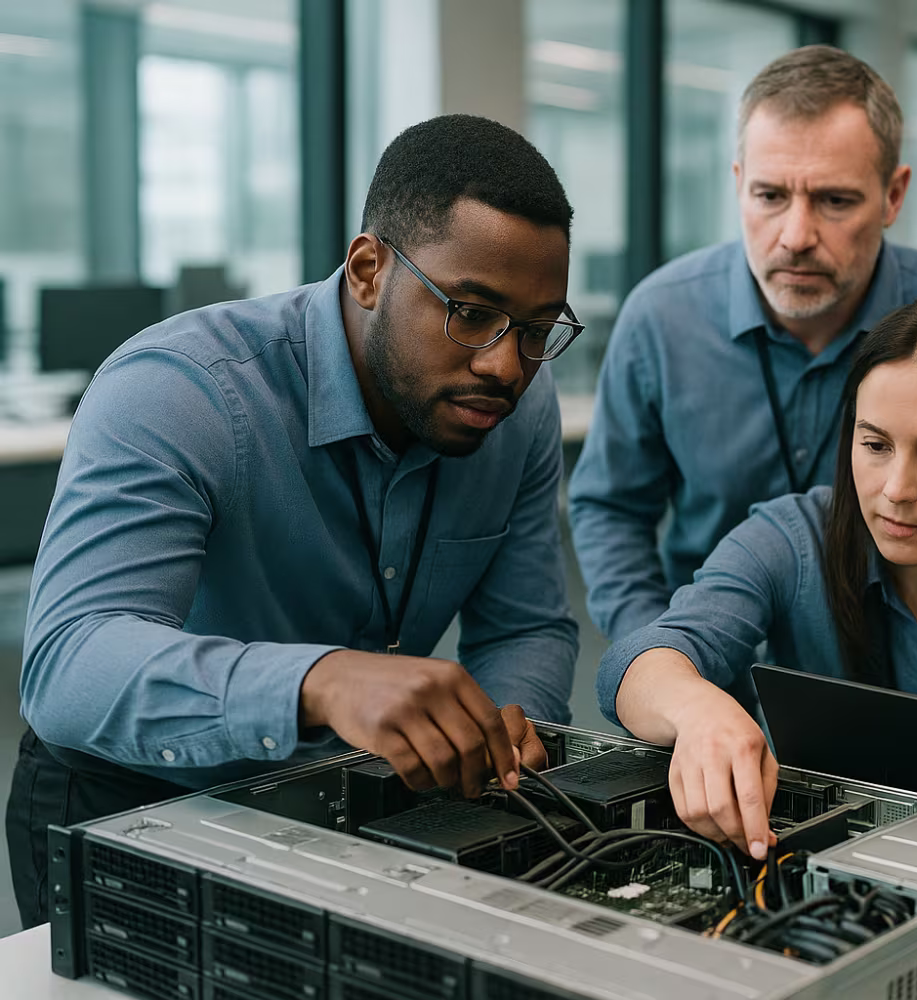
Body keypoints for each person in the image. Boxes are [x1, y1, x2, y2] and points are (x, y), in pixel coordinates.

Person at [7, 115, 584, 929]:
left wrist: (504, 721)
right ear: (368, 271)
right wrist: (318, 679)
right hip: (129, 795)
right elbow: (70, 667)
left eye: (536, 329)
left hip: (351, 795)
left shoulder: (515, 414)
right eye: (471, 312)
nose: (504, 363)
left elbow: (527, 623)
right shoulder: (181, 389)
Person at [568, 45, 917, 643]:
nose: (796, 236)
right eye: (770, 196)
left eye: (835, 201)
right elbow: (612, 511)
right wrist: (660, 658)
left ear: (893, 195)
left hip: (914, 677)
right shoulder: (662, 315)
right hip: (716, 660)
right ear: (738, 186)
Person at [600, 291, 917, 860]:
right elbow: (639, 662)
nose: (896, 489)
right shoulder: (789, 539)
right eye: (874, 445)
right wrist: (698, 707)